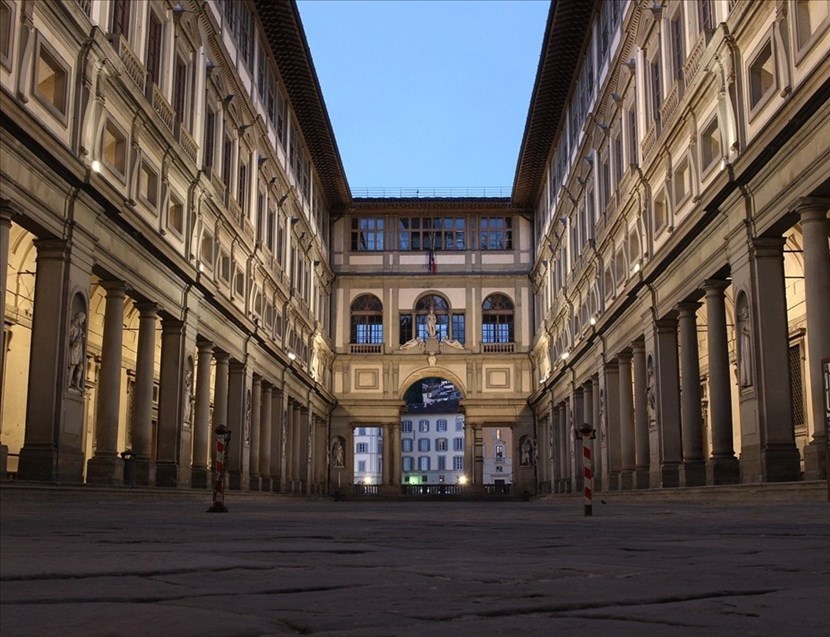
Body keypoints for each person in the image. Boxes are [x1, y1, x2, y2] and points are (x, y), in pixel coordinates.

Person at [68, 311, 86, 391]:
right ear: (79, 318)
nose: (83, 321)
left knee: (80, 367)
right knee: (72, 367)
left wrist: (82, 336)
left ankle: (77, 385)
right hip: (73, 349)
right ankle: (68, 384)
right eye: (83, 319)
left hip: (79, 350)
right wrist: (72, 341)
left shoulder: (79, 329)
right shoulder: (72, 325)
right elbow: (67, 336)